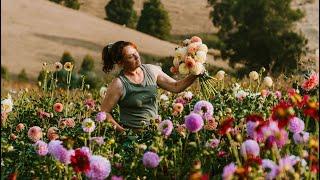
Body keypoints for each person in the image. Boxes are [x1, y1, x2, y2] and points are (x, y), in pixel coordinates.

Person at [100, 41, 202, 132]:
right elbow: (104, 113)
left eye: (136, 52)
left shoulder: (151, 70)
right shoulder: (119, 84)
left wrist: (197, 73)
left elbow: (176, 86)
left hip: (155, 132)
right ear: (120, 63)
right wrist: (123, 132)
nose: (137, 57)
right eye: (131, 56)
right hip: (132, 139)